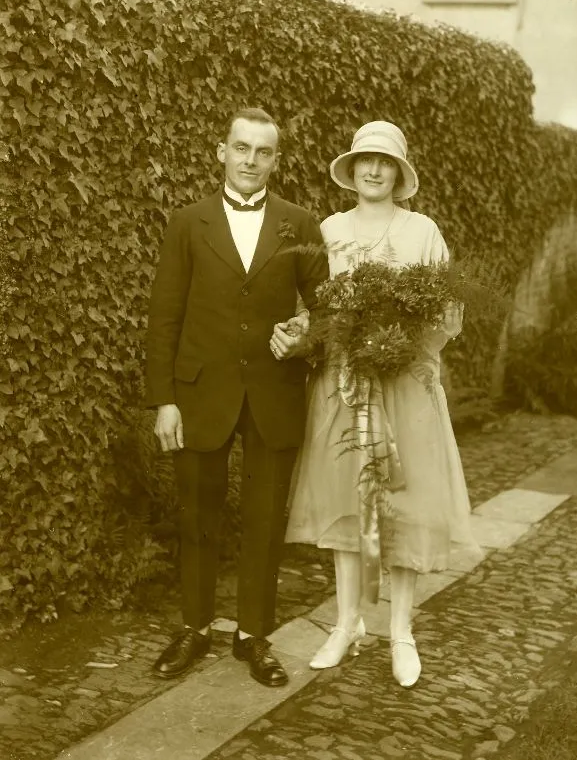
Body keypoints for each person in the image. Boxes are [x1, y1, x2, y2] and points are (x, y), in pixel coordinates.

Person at [285, 121, 481, 688]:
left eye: (385, 162)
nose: (374, 170)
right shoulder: (328, 230)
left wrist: (397, 347)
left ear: (399, 172)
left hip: (404, 388)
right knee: (347, 503)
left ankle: (400, 631)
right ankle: (346, 623)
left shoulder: (422, 232)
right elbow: (313, 308)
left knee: (405, 504)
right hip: (345, 387)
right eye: (365, 160)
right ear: (352, 170)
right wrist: (328, 336)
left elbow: (447, 313)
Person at [145, 107, 328, 686]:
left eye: (263, 151)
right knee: (197, 517)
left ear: (276, 159)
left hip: (274, 393)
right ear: (221, 152)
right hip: (201, 393)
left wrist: (304, 338)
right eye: (241, 148)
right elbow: (164, 316)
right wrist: (164, 400)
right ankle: (195, 628)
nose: (251, 160)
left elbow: (327, 311)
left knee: (264, 521)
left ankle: (253, 636)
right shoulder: (187, 222)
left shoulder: (299, 223)